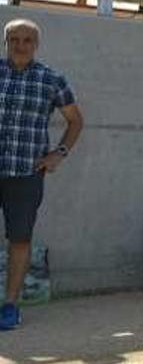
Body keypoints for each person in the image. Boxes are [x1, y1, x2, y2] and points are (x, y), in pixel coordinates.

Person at [0, 18, 83, 331]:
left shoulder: (51, 79)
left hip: (26, 174)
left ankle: (10, 305)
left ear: (36, 45)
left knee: (19, 239)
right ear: (6, 42)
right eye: (14, 39)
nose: (21, 45)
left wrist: (57, 154)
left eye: (27, 40)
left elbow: (76, 121)